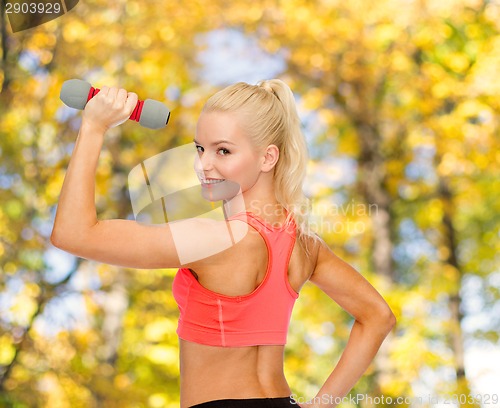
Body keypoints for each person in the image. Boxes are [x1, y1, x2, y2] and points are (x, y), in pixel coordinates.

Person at [51, 79, 396, 408]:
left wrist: (94, 127)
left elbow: (73, 233)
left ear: (268, 158)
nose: (204, 165)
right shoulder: (305, 245)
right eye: (200, 148)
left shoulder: (216, 239)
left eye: (224, 151)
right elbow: (378, 316)